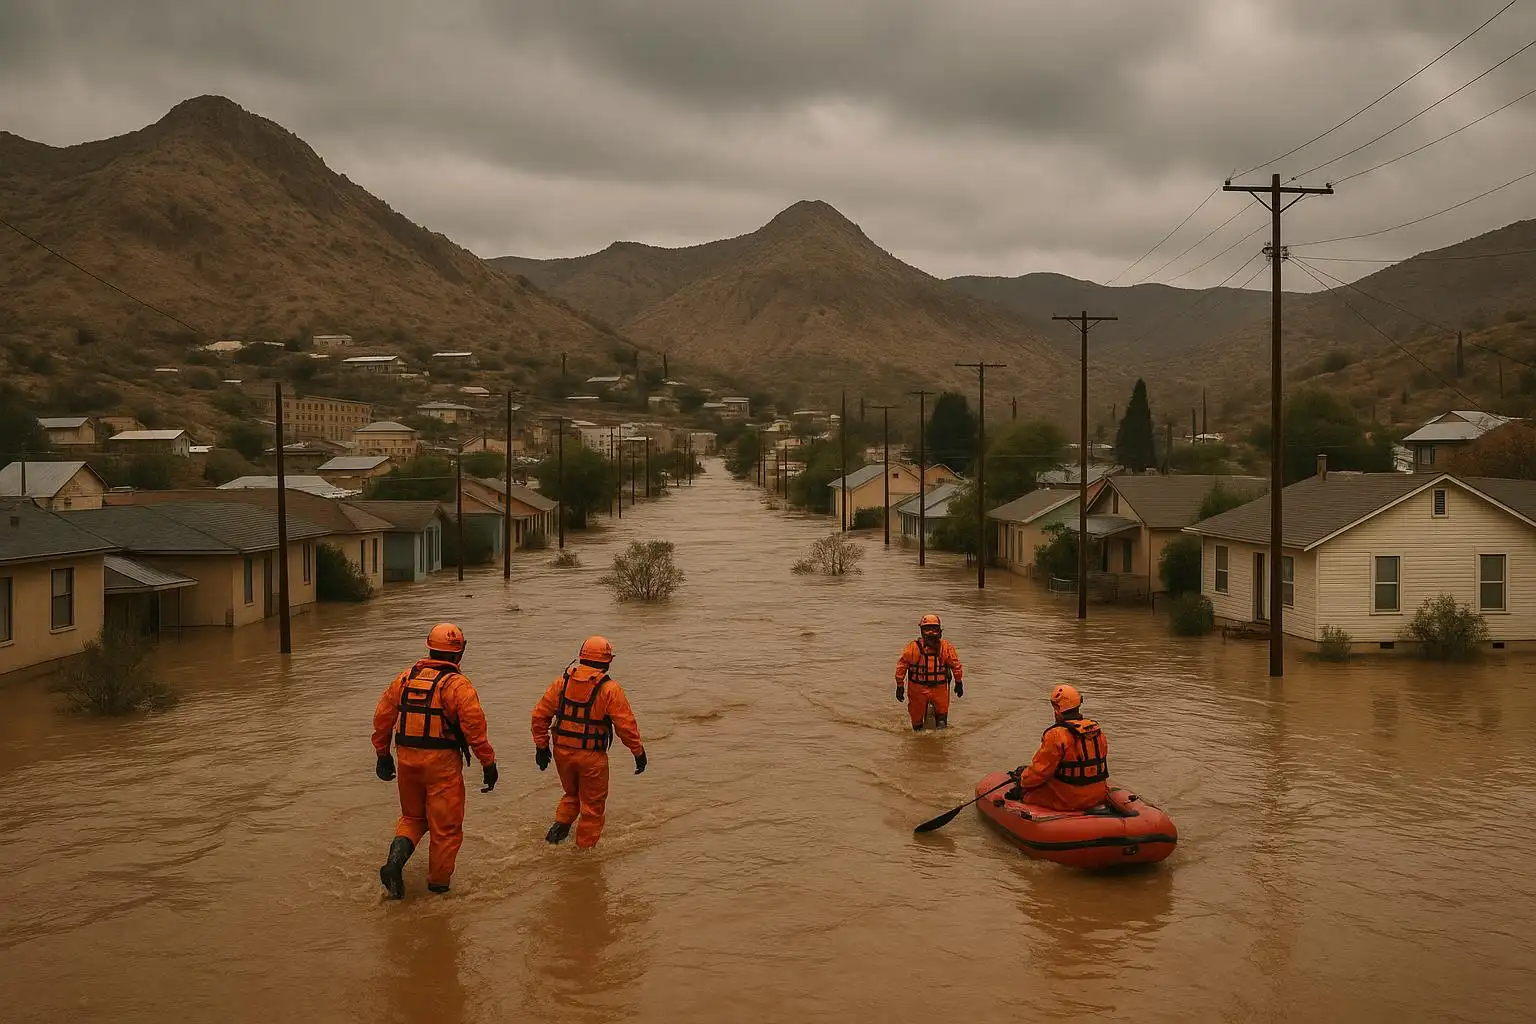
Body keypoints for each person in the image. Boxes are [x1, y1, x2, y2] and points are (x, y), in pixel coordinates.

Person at [373, 623, 498, 899]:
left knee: (412, 817)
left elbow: (382, 717)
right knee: (446, 828)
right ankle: (438, 890)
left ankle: (394, 864)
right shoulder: (458, 686)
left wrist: (382, 754)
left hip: (407, 759)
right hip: (441, 765)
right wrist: (488, 764)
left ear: (430, 648)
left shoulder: (406, 678)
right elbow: (475, 730)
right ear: (459, 654)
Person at [531, 636, 647, 848]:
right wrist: (638, 752)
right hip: (592, 757)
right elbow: (625, 726)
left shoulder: (561, 683)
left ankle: (556, 834)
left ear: (581, 656)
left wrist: (541, 746)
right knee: (592, 807)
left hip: (562, 752)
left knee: (571, 794)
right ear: (607, 661)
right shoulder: (610, 689)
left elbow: (540, 715)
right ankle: (584, 855)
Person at [1006, 684, 1110, 811]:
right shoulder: (1097, 731)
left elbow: (1040, 772)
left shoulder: (1055, 735)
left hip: (1069, 799)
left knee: (1027, 794)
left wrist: (1021, 782)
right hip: (1098, 795)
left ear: (1057, 708)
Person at [894, 613, 964, 731]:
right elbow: (901, 666)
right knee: (916, 725)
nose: (931, 633)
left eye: (934, 629)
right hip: (918, 690)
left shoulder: (946, 648)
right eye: (927, 629)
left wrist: (959, 682)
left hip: (940, 689)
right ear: (921, 631)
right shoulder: (912, 648)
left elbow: (955, 665)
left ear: (940, 631)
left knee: (942, 723)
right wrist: (899, 685)